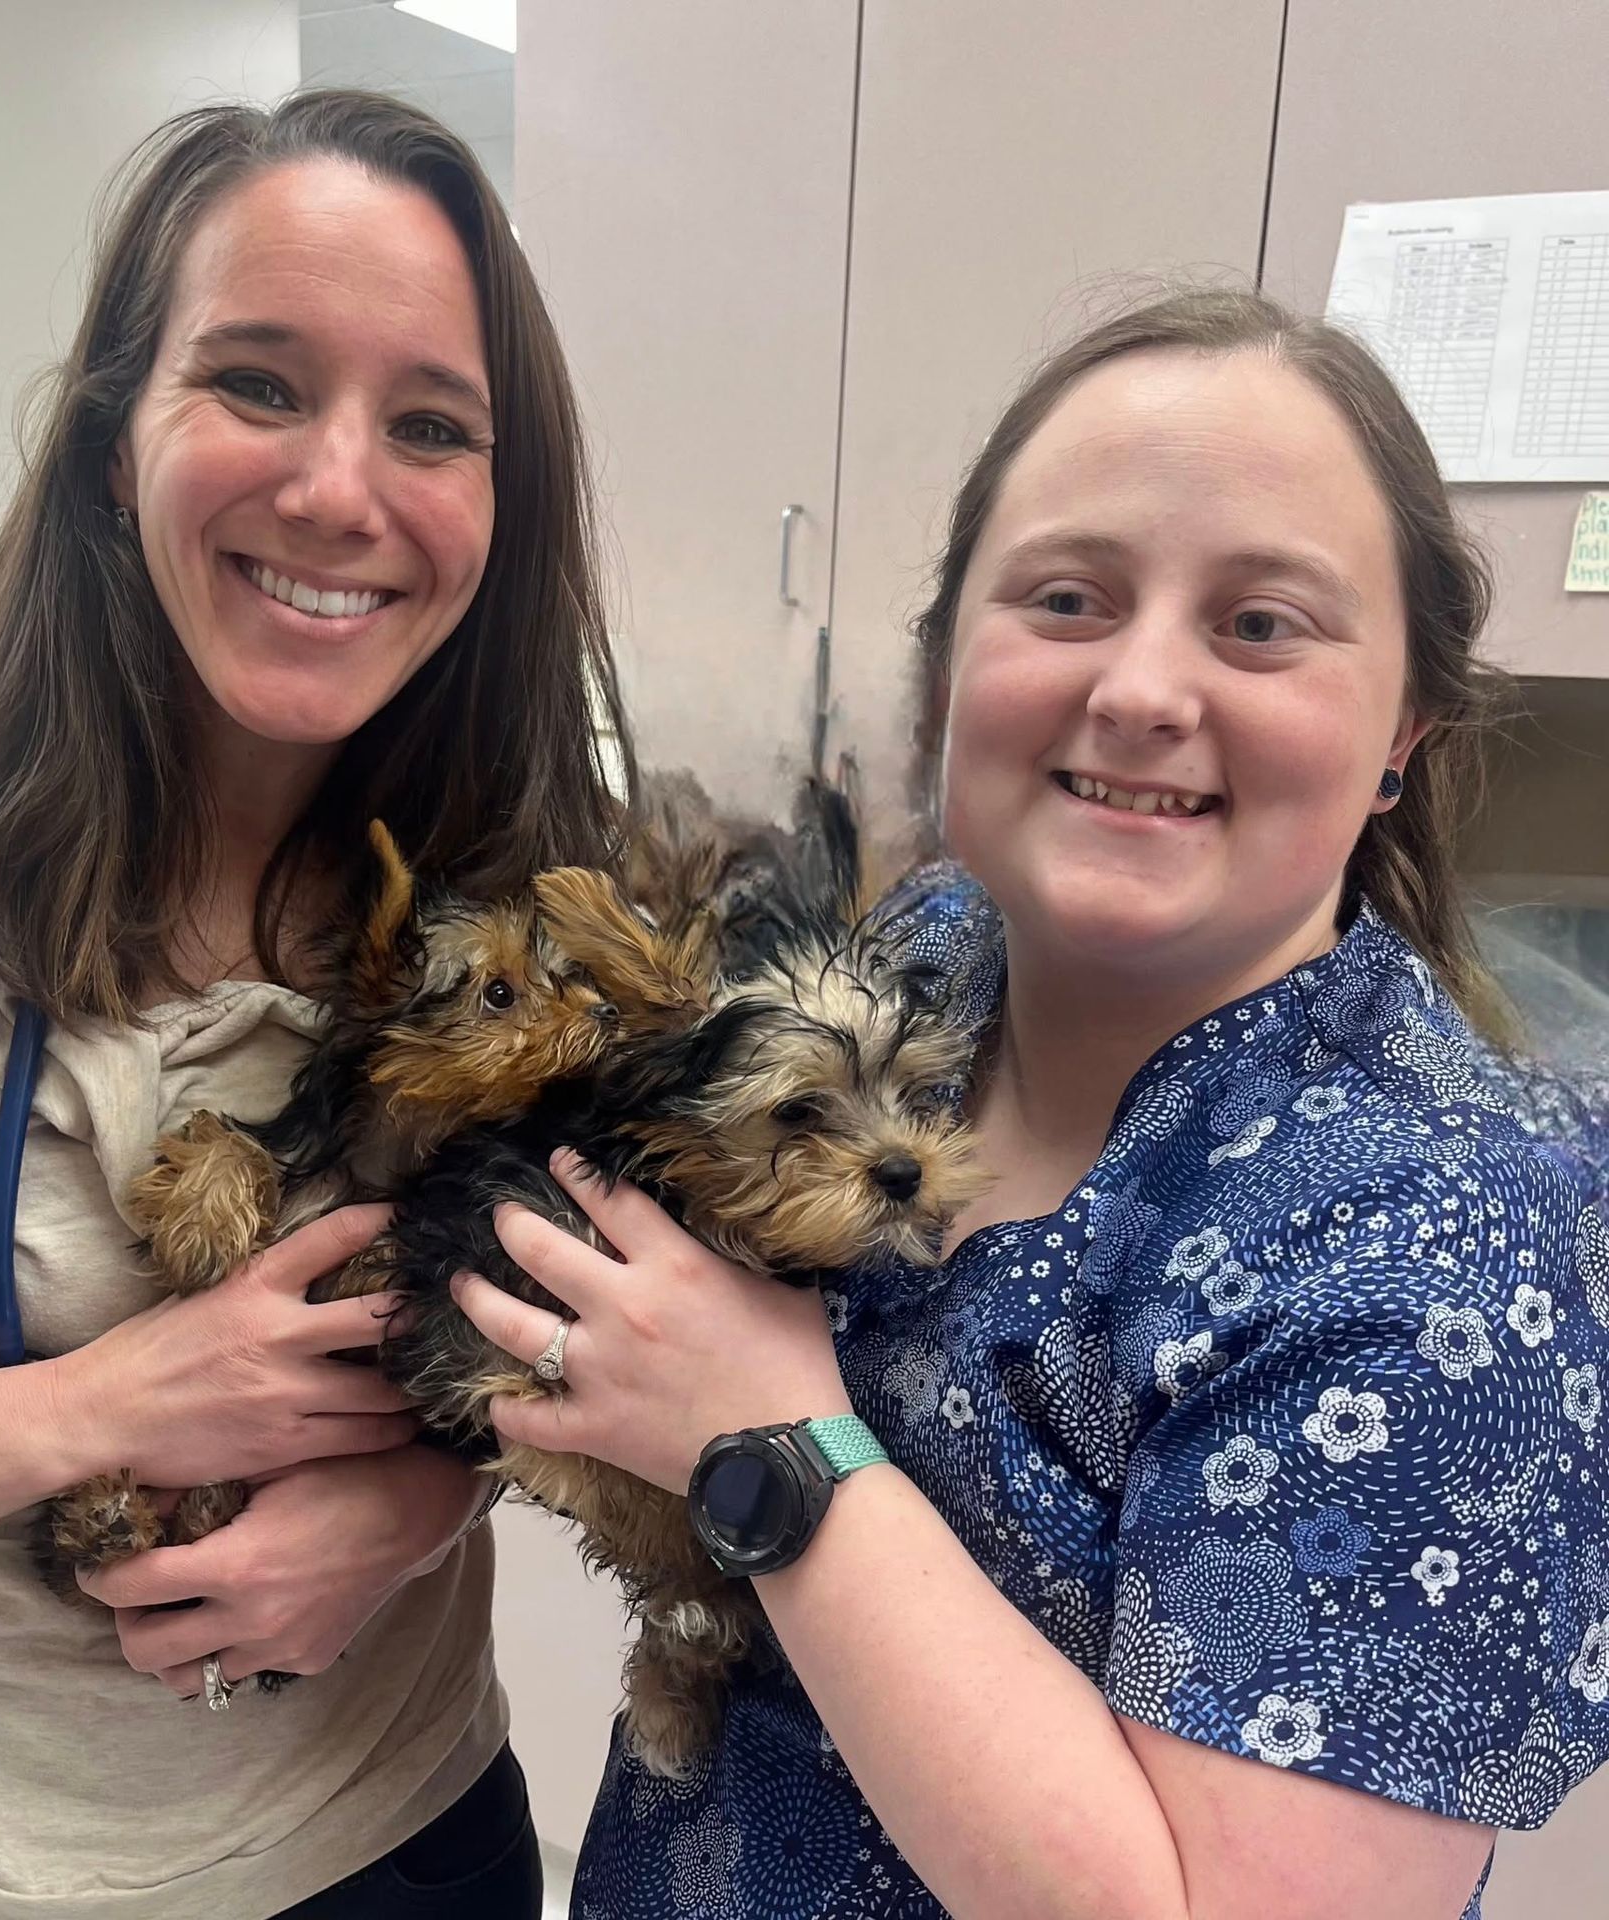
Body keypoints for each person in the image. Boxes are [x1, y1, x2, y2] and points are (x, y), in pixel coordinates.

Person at [451, 287, 1609, 1919]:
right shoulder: (925, 961)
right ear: (945, 671)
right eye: (1068, 598)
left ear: (1405, 726)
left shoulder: (1440, 1258)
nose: (1142, 688)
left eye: (1261, 624)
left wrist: (775, 1440)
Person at [0, 88, 630, 1920]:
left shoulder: (516, 893)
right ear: (116, 433)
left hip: (413, 1840)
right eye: (259, 384)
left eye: (430, 424)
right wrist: (96, 1409)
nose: (339, 490)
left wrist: (434, 1496)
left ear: (500, 510)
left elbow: (595, 1328)